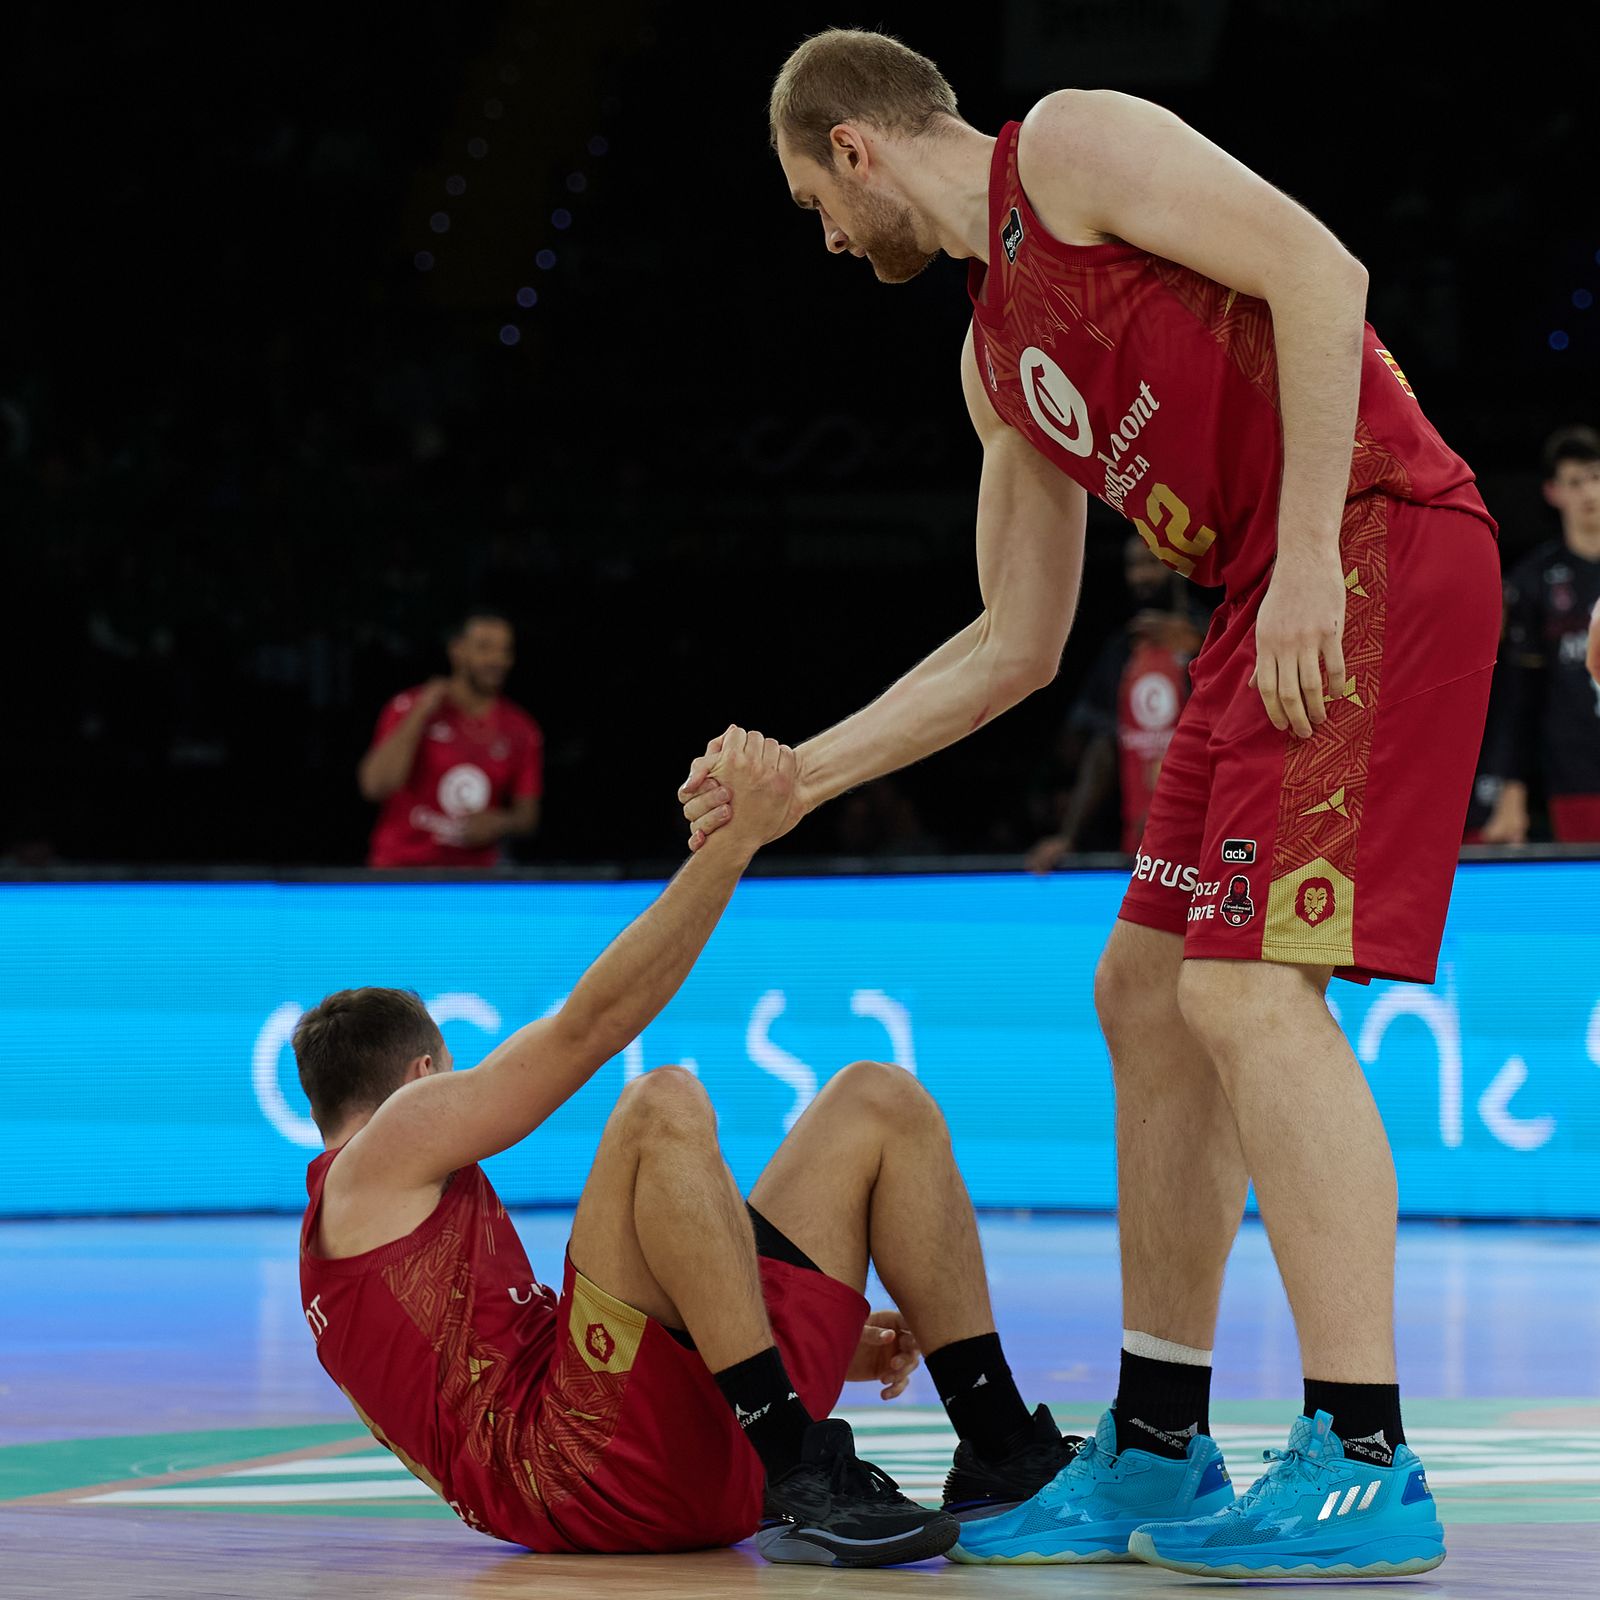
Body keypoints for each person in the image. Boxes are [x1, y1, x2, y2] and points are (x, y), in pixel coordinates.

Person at [682, 28, 1491, 1577]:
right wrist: (801, 776)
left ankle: (1367, 1453)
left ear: (853, 147)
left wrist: (1314, 547)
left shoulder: (1068, 146)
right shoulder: (995, 366)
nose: (831, 244)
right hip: (1257, 598)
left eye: (813, 205)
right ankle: (1159, 1444)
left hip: (1370, 541)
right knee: (1142, 988)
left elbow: (1325, 274)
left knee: (1250, 993)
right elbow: (1015, 643)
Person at [298, 728, 1075, 1567]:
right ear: (422, 1075)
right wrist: (734, 843)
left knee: (878, 1100)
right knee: (658, 1103)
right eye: (453, 1074)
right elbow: (590, 1026)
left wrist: (742, 1320)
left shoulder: (347, 1249)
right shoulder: (384, 1149)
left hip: (658, 1451)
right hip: (584, 1467)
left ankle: (998, 1449)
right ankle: (796, 1467)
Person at [1028, 535, 1207, 869]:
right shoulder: (1120, 651)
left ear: (1179, 568)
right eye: (1134, 566)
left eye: (1152, 564)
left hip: (1210, 835)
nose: (1141, 577)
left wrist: (1200, 647)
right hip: (1139, 846)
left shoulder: (1216, 635)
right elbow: (1102, 748)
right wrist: (1068, 836)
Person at [1477, 426, 1600, 844]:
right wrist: (1512, 789)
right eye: (1575, 482)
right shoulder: (1533, 582)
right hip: (1576, 776)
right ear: (1553, 492)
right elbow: (1519, 697)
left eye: (1597, 478)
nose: (1589, 494)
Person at [359, 611, 542, 868]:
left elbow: (527, 817)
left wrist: (500, 822)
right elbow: (375, 786)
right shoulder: (409, 706)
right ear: (457, 651)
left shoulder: (521, 728)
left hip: (475, 878)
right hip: (400, 870)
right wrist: (419, 715)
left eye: (505, 651)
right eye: (484, 648)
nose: (497, 660)